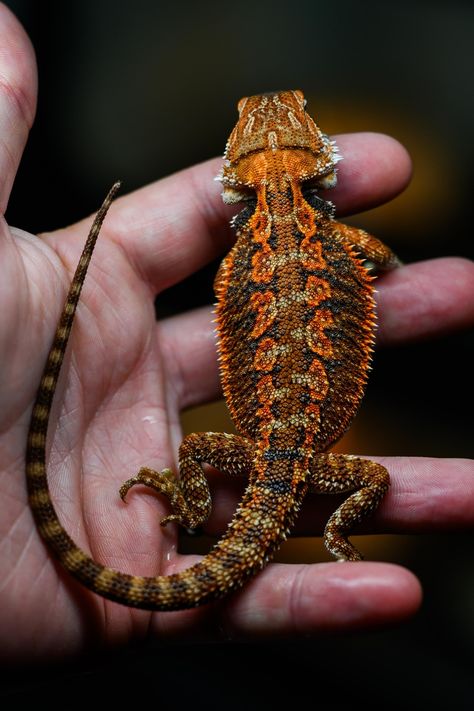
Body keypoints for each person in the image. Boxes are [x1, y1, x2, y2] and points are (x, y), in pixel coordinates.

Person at [0, 3, 473, 662]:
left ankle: (189, 507)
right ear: (316, 149)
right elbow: (386, 261)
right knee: (373, 482)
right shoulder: (342, 236)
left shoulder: (239, 255)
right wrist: (377, 255)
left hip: (267, 457)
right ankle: (328, 526)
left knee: (199, 458)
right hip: (305, 459)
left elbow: (231, 301)